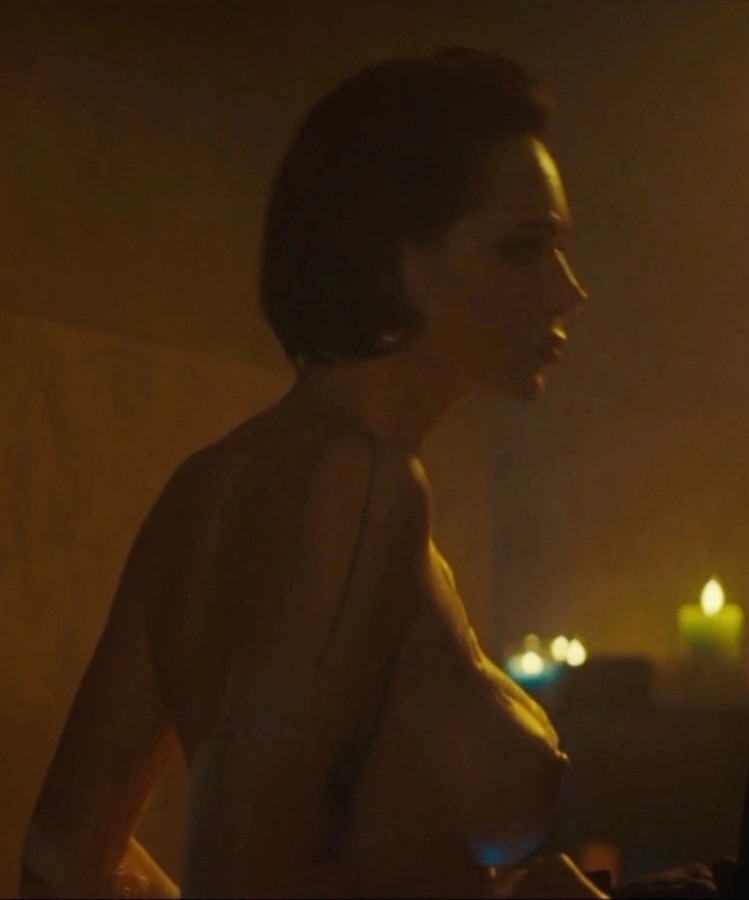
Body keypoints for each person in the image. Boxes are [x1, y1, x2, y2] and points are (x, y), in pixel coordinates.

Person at [19, 47, 609, 898]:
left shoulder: (207, 487)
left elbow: (63, 856)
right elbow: (240, 876)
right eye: (524, 249)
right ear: (400, 265)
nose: (567, 290)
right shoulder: (365, 490)